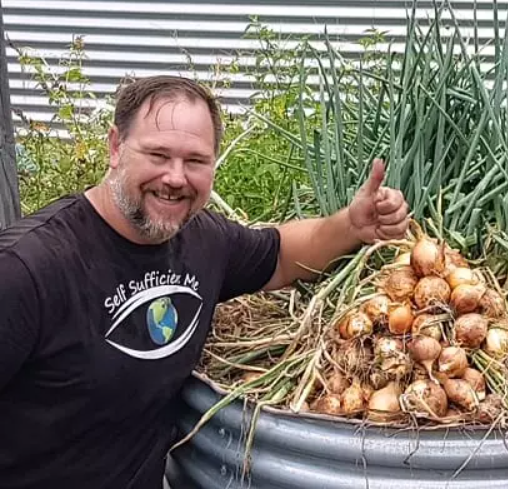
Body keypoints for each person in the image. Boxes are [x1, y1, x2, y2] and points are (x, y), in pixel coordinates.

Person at [0, 75, 409, 487]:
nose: (176, 178)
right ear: (115, 147)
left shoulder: (203, 241)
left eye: (195, 161)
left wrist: (351, 226)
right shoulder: (29, 268)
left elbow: (281, 255)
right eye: (158, 154)